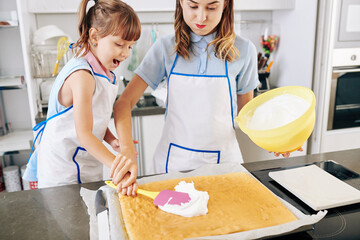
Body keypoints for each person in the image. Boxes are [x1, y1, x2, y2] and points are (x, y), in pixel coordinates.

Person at [110, 0, 300, 196]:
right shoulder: (165, 48)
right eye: (193, 6)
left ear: (225, 4)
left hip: (225, 165)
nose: (201, 17)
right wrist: (126, 151)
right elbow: (124, 103)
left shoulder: (244, 50)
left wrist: (278, 139)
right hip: (171, 165)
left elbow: (247, 115)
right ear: (181, 3)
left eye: (211, 7)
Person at [23, 0, 141, 188]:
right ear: (94, 36)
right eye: (119, 44)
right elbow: (84, 134)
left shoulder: (105, 72)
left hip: (82, 162)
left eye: (130, 46)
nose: (126, 53)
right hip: (62, 170)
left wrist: (111, 139)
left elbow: (95, 118)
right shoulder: (82, 76)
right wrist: (118, 167)